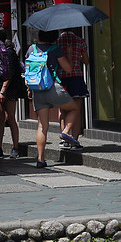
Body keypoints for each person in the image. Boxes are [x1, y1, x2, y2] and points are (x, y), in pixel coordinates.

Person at [26, 29, 81, 168]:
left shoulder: (31, 49)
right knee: (74, 108)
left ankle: (40, 159)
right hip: (53, 89)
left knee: (42, 126)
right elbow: (68, 68)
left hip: (37, 90)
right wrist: (67, 54)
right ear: (54, 37)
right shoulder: (55, 49)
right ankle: (65, 132)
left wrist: (29, 89)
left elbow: (28, 70)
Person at [57, 29, 90, 148]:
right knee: (77, 109)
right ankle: (75, 139)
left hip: (61, 78)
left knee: (63, 109)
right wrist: (78, 58)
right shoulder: (81, 41)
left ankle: (64, 139)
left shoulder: (57, 42)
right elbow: (86, 61)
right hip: (76, 78)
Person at [0, 29, 24, 159]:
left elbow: (9, 75)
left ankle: (15, 147)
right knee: (1, 119)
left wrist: (2, 91)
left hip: (8, 90)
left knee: (10, 118)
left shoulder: (9, 53)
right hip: (2, 89)